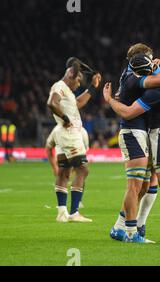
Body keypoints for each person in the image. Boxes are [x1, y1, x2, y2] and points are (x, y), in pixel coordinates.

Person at [104, 52, 160, 243]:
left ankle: (128, 226)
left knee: (152, 182)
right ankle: (133, 229)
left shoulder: (148, 83)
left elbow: (129, 108)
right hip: (145, 132)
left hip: (159, 132)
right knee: (143, 184)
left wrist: (111, 99)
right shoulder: (150, 79)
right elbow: (130, 112)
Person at [47, 58, 101, 223]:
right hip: (69, 134)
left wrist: (93, 87)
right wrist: (65, 118)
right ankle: (74, 212)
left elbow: (78, 102)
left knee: (64, 172)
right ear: (70, 74)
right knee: (83, 170)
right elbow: (51, 103)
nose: (79, 84)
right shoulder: (60, 87)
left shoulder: (67, 91)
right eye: (78, 80)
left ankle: (62, 212)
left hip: (64, 135)